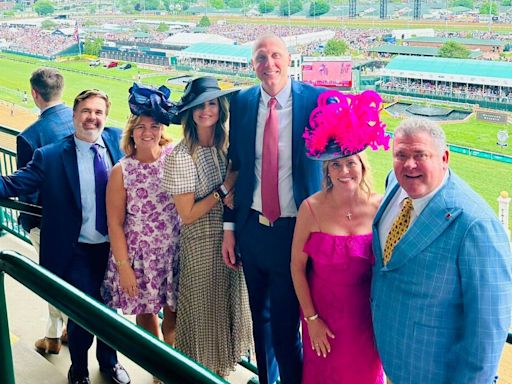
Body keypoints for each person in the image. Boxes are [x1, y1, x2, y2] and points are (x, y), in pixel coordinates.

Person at [0, 89, 130, 384]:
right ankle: (79, 369)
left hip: (113, 248)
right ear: (74, 115)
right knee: (82, 313)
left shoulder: (117, 141)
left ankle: (109, 363)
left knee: (111, 310)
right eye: (86, 111)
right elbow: (12, 183)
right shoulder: (50, 156)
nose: (92, 118)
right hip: (77, 250)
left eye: (98, 112)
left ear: (106, 117)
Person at [371, 118, 512, 384]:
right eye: (400, 154)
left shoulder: (476, 226)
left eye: (420, 155)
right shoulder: (394, 183)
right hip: (392, 363)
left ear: (444, 157)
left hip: (435, 373)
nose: (409, 164)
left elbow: (488, 330)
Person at [221, 33, 324, 384]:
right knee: (260, 326)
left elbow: (341, 165)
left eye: (275, 55)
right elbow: (235, 166)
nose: (269, 64)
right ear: (252, 65)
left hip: (295, 233)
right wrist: (230, 228)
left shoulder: (318, 100)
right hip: (252, 229)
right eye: (261, 58)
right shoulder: (243, 101)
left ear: (290, 59)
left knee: (284, 329)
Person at [291, 90, 388, 384]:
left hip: (367, 323)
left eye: (351, 163)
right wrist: (311, 320)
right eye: (336, 164)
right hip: (323, 323)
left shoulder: (381, 206)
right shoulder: (311, 207)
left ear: (362, 166)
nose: (344, 171)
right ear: (327, 170)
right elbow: (296, 267)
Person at [162, 76, 253, 376]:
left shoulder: (226, 146)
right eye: (199, 105)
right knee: (201, 318)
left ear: (220, 108)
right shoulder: (181, 155)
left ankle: (220, 373)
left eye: (212, 103)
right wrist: (224, 189)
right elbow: (187, 214)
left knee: (225, 313)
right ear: (190, 112)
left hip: (229, 242)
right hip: (200, 246)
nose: (206, 111)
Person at [101, 84, 180, 350]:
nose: (148, 132)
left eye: (154, 126)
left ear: (162, 130)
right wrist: (125, 269)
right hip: (139, 258)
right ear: (131, 132)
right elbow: (115, 223)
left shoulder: (174, 157)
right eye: (141, 127)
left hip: (174, 252)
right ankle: (158, 367)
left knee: (175, 316)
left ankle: (173, 368)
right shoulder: (121, 170)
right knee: (146, 315)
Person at [16, 67, 75, 355]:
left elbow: (27, 189)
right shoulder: (83, 121)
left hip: (47, 221)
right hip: (84, 220)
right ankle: (62, 330)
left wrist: (27, 223)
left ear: (35, 94)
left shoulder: (29, 136)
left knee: (52, 278)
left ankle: (55, 336)